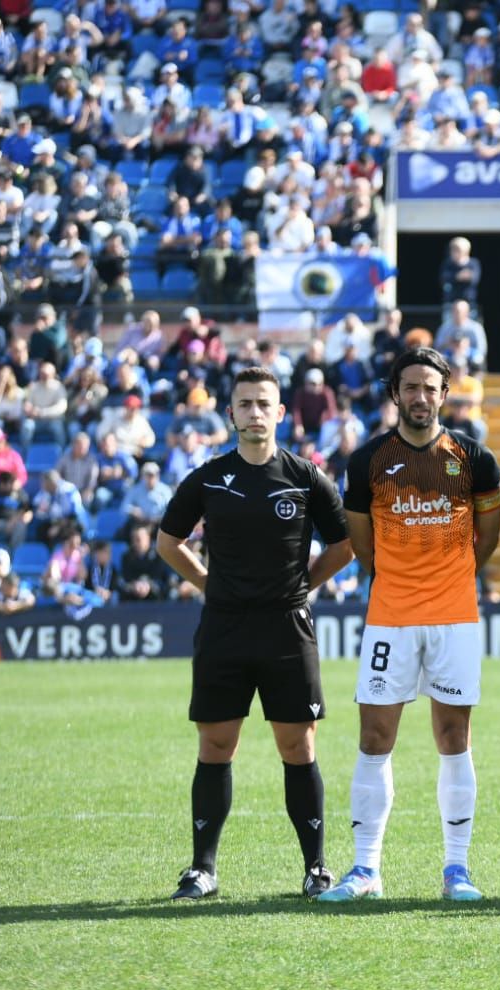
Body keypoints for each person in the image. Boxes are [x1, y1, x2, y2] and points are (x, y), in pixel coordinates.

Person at [155, 366, 355, 901]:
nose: (255, 412)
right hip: (224, 628)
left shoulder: (306, 476)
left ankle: (316, 868)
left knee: (298, 745)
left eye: (264, 403)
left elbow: (344, 547)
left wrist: (303, 586)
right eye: (245, 404)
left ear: (281, 413)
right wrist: (208, 583)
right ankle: (202, 869)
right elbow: (169, 542)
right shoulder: (207, 478)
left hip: (287, 628)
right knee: (216, 744)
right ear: (230, 414)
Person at [317, 347, 500, 905]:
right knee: (375, 739)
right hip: (390, 617)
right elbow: (362, 547)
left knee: (454, 739)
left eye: (430, 387)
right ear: (395, 394)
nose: (420, 397)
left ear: (445, 393)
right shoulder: (366, 461)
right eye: (411, 387)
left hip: (454, 617)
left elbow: (487, 541)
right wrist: (399, 580)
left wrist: (451, 576)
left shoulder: (475, 458)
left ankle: (457, 870)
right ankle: (365, 869)